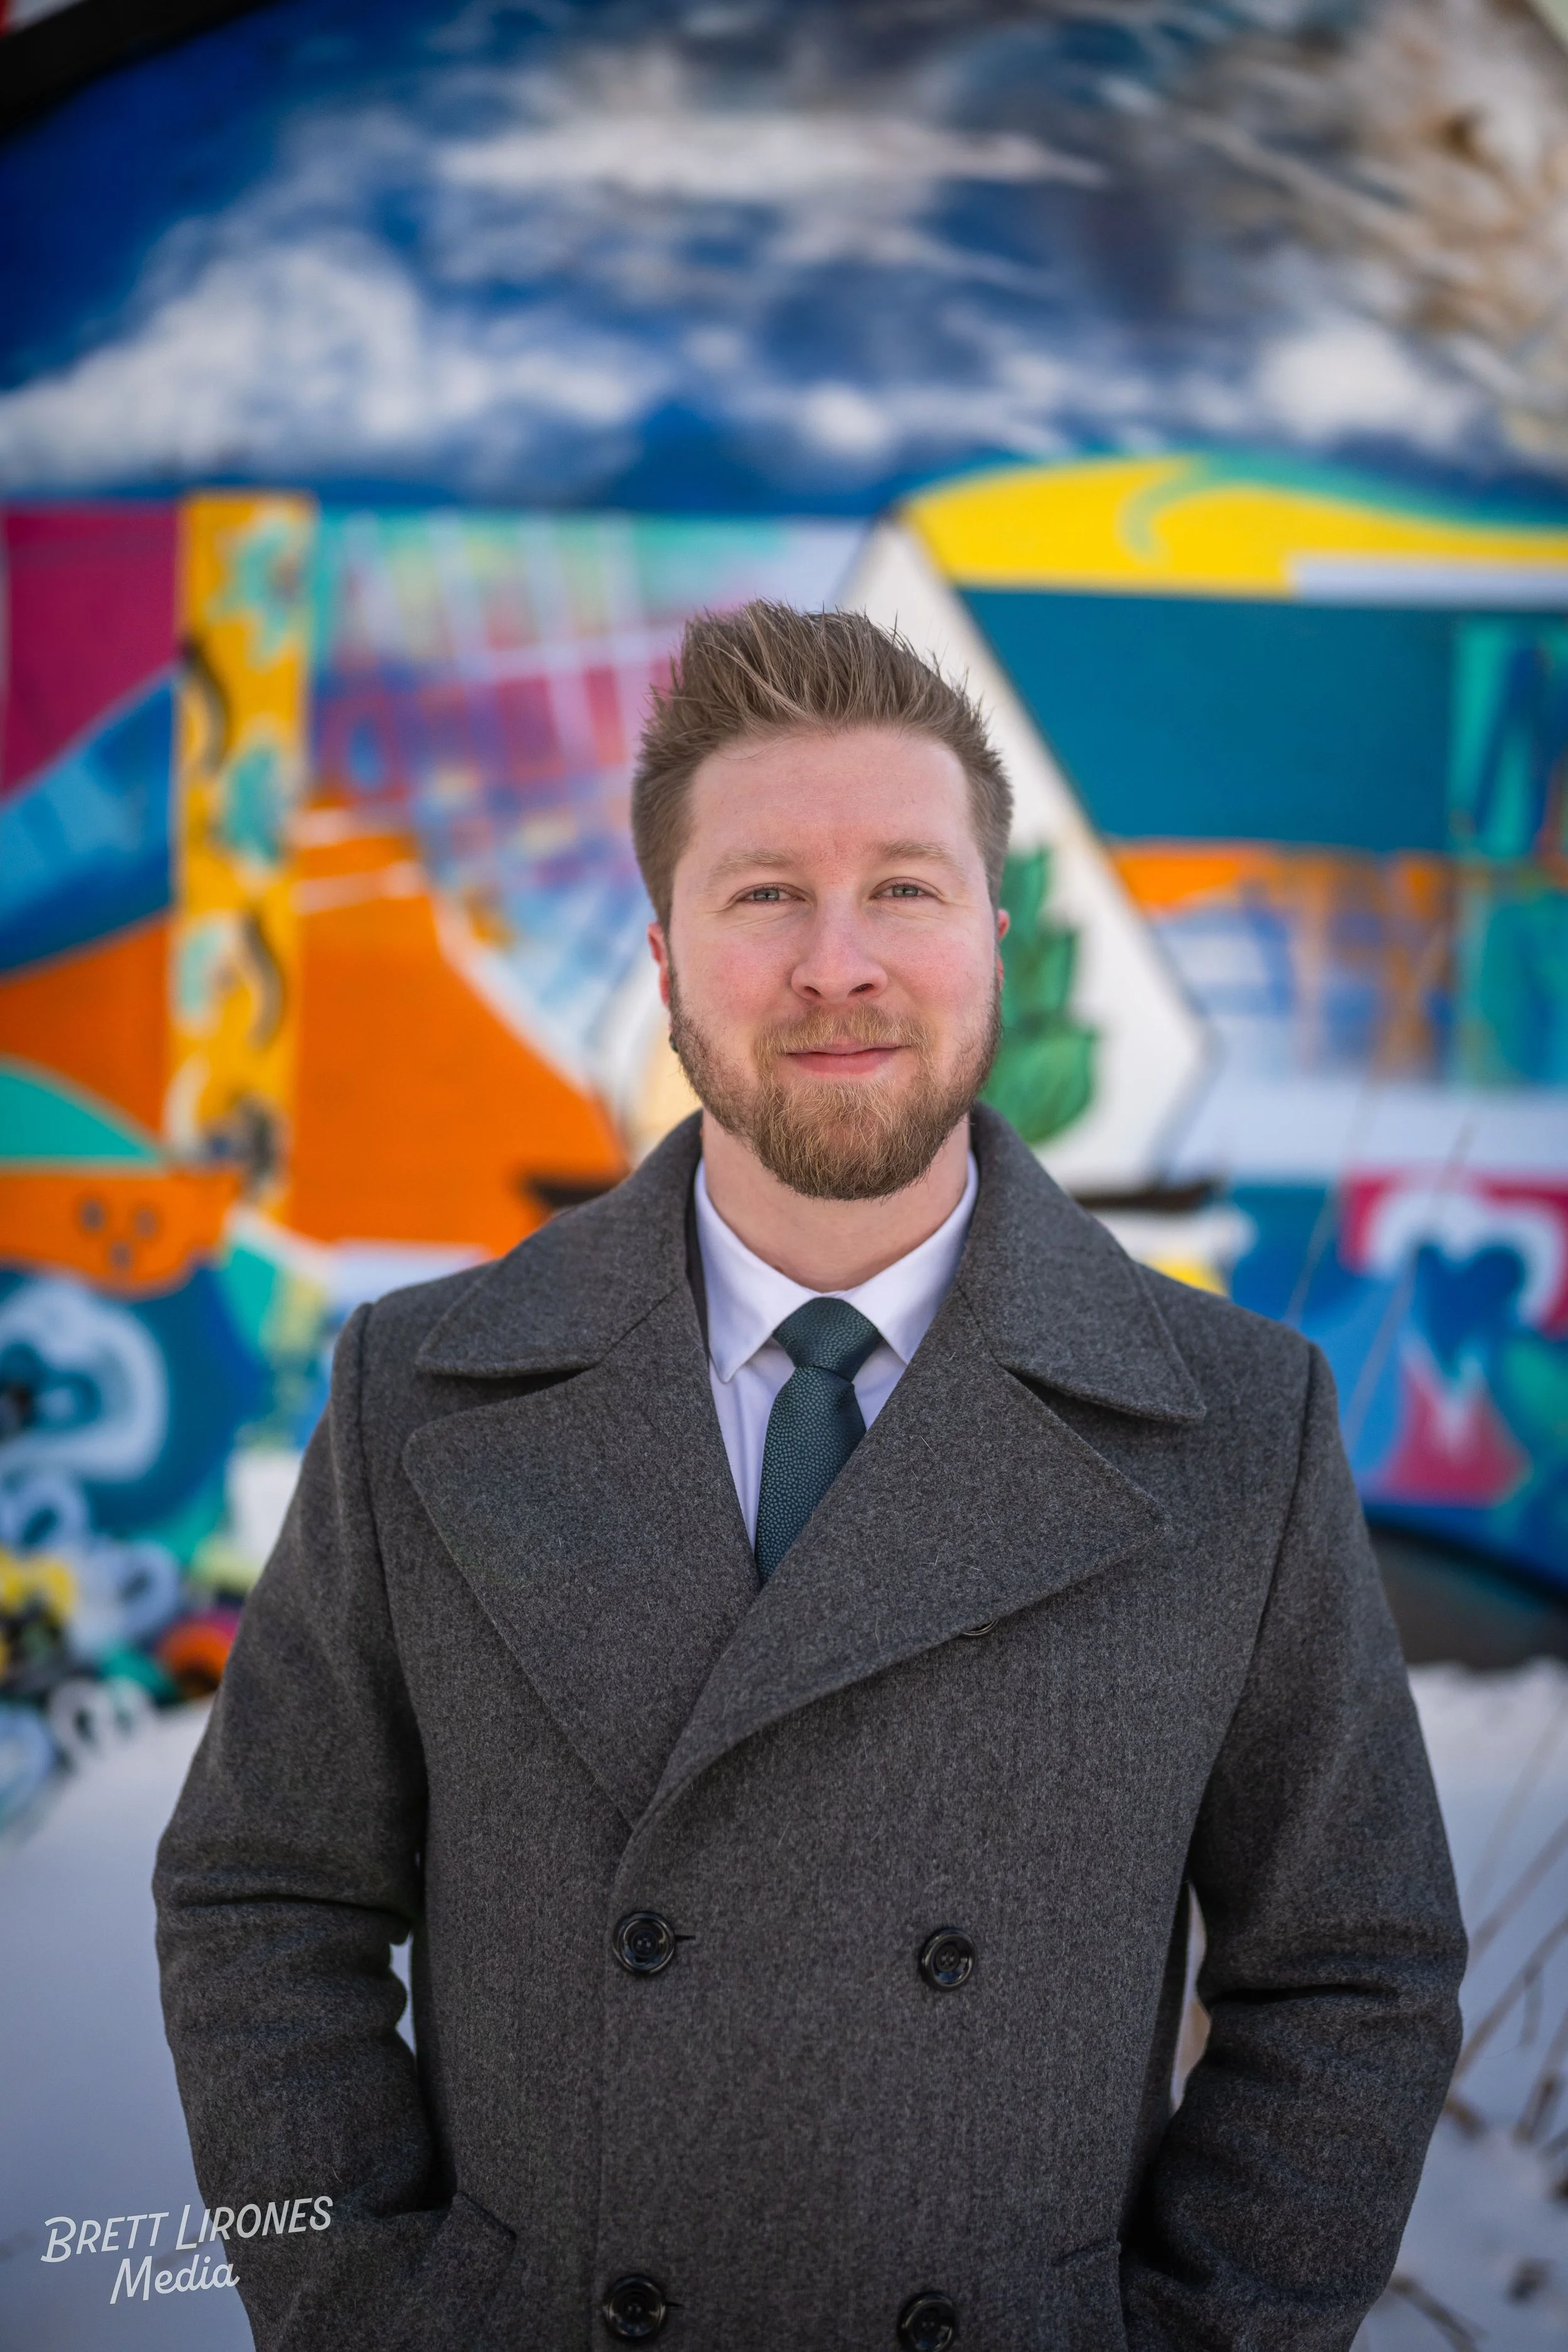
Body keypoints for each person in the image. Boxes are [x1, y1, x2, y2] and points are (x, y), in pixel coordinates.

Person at [155, 604, 1465, 2352]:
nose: (836, 962)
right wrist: (353, 2308)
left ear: (993, 936)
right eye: (764, 890)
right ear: (666, 950)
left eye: (903, 888)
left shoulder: (1237, 1422)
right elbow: (260, 1900)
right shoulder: (421, 1391)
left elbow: (1352, 1974)